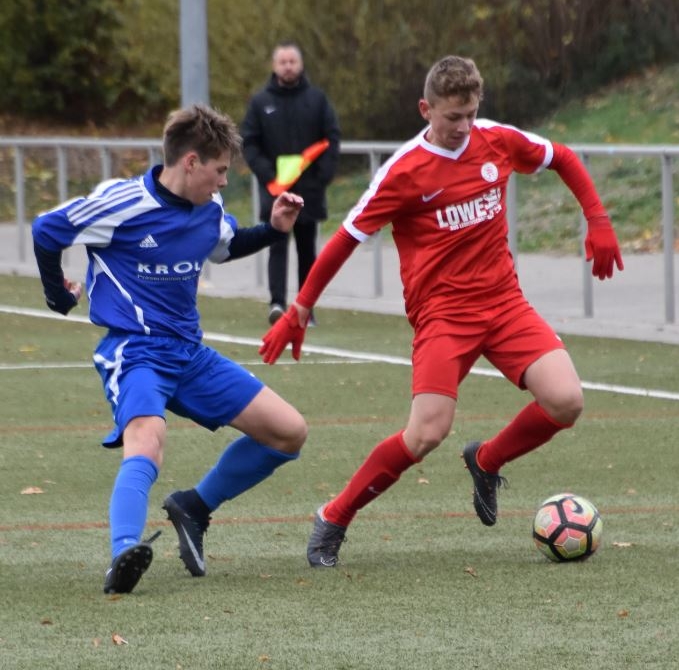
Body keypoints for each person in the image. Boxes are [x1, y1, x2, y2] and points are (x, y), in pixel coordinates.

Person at [259, 55, 624, 568]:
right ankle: (334, 516)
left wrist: (598, 218)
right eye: (453, 117)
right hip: (443, 316)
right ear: (425, 109)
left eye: (471, 114)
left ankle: (487, 460)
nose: (463, 126)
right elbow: (345, 239)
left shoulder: (495, 139)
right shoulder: (404, 171)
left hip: (505, 304)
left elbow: (560, 156)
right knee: (427, 433)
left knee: (566, 401)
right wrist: (300, 307)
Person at [32, 104, 308, 593]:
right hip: (135, 351)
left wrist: (274, 229)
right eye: (219, 170)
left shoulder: (209, 210)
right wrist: (58, 295)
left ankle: (194, 507)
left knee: (289, 433)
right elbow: (46, 230)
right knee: (148, 440)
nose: (223, 181)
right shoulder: (122, 202)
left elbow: (225, 246)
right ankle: (123, 555)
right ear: (191, 162)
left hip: (190, 355)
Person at [241, 41, 341, 326]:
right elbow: (250, 143)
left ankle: (305, 308)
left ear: (300, 64)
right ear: (274, 66)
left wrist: (322, 176)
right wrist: (269, 176)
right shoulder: (261, 103)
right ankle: (277, 303)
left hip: (309, 191)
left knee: (307, 250)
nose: (288, 67)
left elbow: (331, 137)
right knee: (276, 245)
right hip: (276, 191)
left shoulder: (317, 100)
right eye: (282, 62)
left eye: (292, 61)